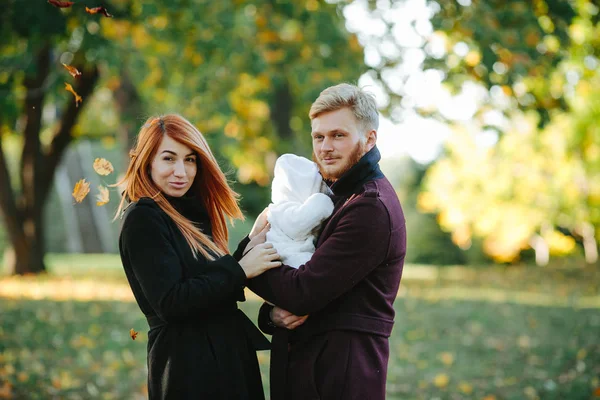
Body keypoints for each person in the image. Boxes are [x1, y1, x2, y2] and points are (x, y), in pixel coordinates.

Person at [242, 83, 407, 400]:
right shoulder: (333, 193)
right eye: (319, 136)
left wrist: (248, 260)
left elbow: (303, 292)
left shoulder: (369, 206)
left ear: (369, 138)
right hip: (310, 369)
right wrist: (272, 314)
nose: (325, 147)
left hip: (341, 377)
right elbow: (305, 274)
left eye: (338, 135)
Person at [116, 114, 281, 400]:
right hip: (189, 368)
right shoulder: (144, 217)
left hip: (227, 360)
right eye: (169, 158)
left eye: (190, 159)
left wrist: (248, 247)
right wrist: (240, 270)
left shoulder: (188, 211)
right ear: (148, 161)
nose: (181, 171)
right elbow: (172, 301)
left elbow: (206, 277)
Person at [265, 153, 334, 268]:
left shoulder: (289, 208)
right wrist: (322, 201)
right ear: (302, 187)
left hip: (294, 255)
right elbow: (298, 225)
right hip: (285, 255)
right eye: (318, 186)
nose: (322, 190)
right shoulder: (282, 209)